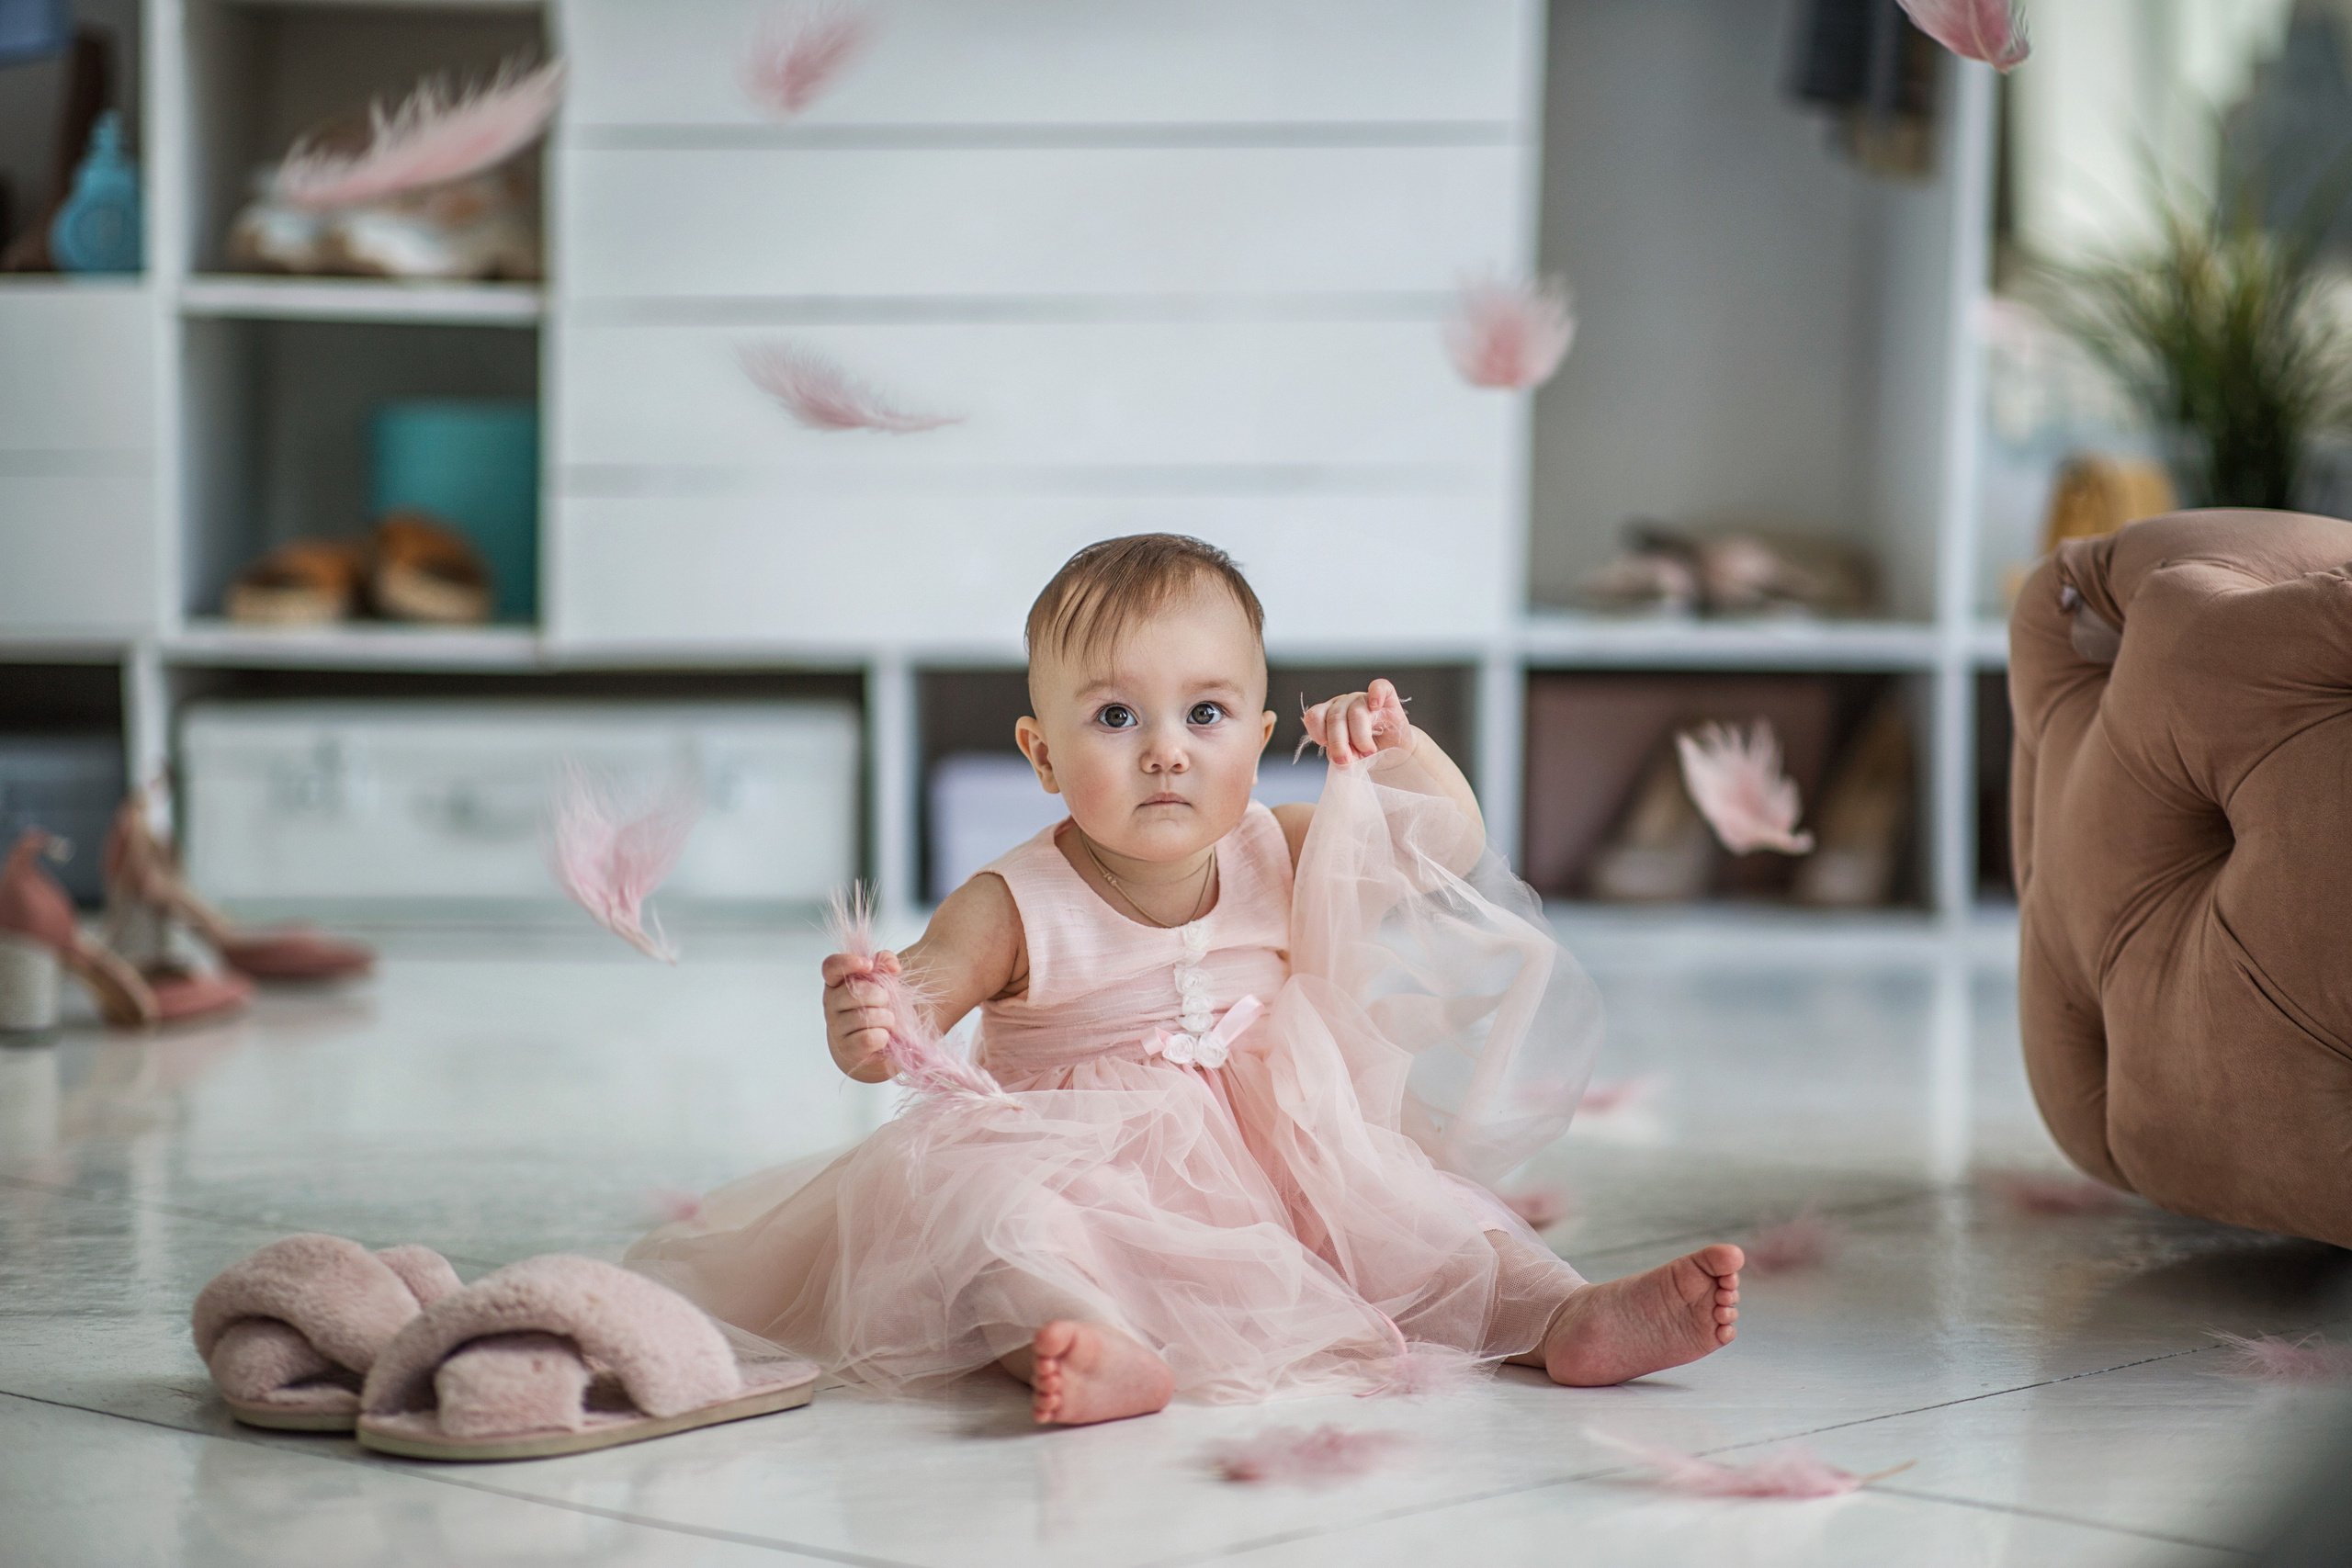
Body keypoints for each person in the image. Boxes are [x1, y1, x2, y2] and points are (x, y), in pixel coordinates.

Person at [629, 535, 1742, 1425]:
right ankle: (1088, 1342)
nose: (1166, 750)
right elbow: (912, 1011)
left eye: (1204, 715)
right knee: (1007, 1237)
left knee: (1433, 1224)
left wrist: (1394, 754)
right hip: (1080, 1167)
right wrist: (873, 1018)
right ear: (1041, 754)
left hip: (1288, 1155)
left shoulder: (1281, 844)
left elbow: (1444, 842)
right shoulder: (1014, 900)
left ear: (1258, 737)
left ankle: (1566, 1317)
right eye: (1115, 717)